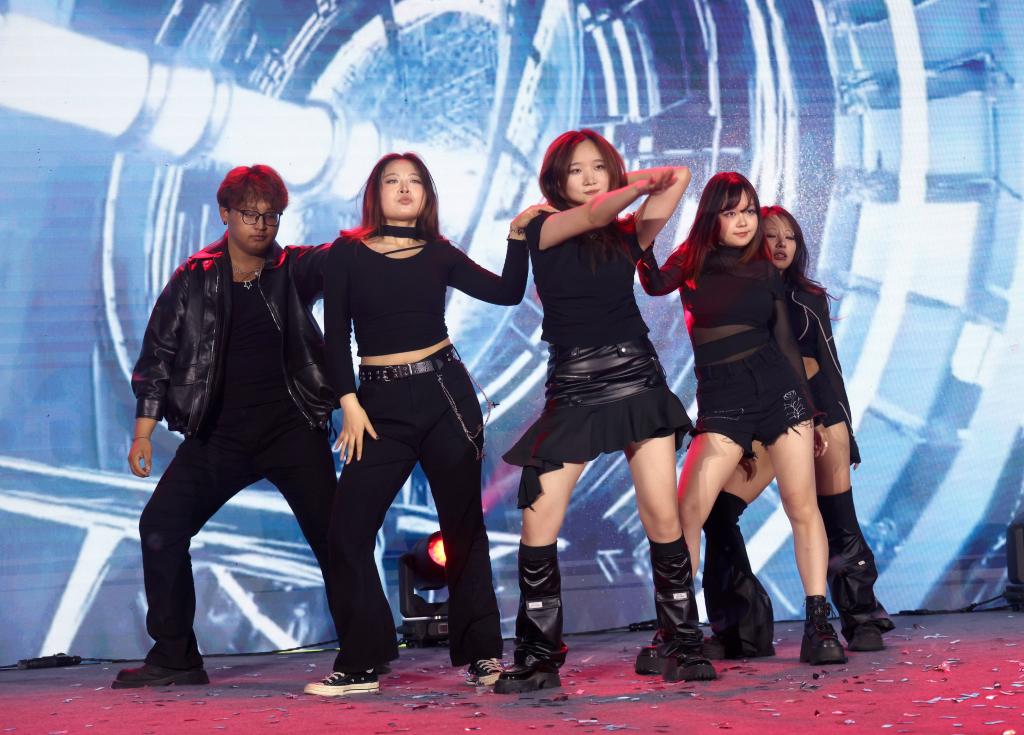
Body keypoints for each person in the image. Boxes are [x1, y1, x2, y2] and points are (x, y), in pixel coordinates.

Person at [304, 152, 537, 696]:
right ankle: (362, 661)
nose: (405, 188)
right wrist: (348, 402)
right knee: (346, 532)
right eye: (393, 180)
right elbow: (335, 334)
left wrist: (517, 238)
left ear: (428, 195)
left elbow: (507, 292)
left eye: (415, 182)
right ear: (375, 193)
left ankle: (483, 656)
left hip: (445, 395)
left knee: (463, 528)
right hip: (377, 405)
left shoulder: (438, 252)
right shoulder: (345, 253)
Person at [494, 129, 713, 695]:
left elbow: (680, 178)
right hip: (573, 385)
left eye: (599, 167)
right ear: (556, 180)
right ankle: (539, 656)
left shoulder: (626, 232)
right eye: (576, 170)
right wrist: (630, 186)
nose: (589, 178)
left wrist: (631, 181)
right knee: (539, 519)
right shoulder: (542, 227)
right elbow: (593, 213)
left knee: (662, 514)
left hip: (636, 377)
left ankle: (683, 644)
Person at [114, 165, 336, 688]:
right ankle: (175, 657)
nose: (261, 225)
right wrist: (143, 432)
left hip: (292, 431)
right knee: (161, 527)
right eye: (250, 215)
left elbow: (344, 257)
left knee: (337, 538)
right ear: (225, 214)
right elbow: (158, 355)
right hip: (220, 436)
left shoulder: (293, 269)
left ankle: (367, 649)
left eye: (271, 216)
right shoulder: (194, 276)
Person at [636, 172, 847, 666]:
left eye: (749, 210)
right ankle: (677, 629)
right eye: (731, 212)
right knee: (687, 511)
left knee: (802, 506)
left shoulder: (764, 269)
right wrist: (639, 235)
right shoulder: (691, 261)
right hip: (723, 401)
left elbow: (785, 343)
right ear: (712, 217)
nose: (743, 221)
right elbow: (652, 282)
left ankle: (818, 625)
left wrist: (812, 413)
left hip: (779, 395)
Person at [695, 206, 893, 655]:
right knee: (718, 512)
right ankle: (740, 627)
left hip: (821, 411)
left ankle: (861, 618)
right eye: (771, 236)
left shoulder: (808, 298)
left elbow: (828, 365)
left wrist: (842, 428)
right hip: (766, 413)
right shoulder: (736, 291)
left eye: (791, 237)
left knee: (837, 515)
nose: (782, 245)